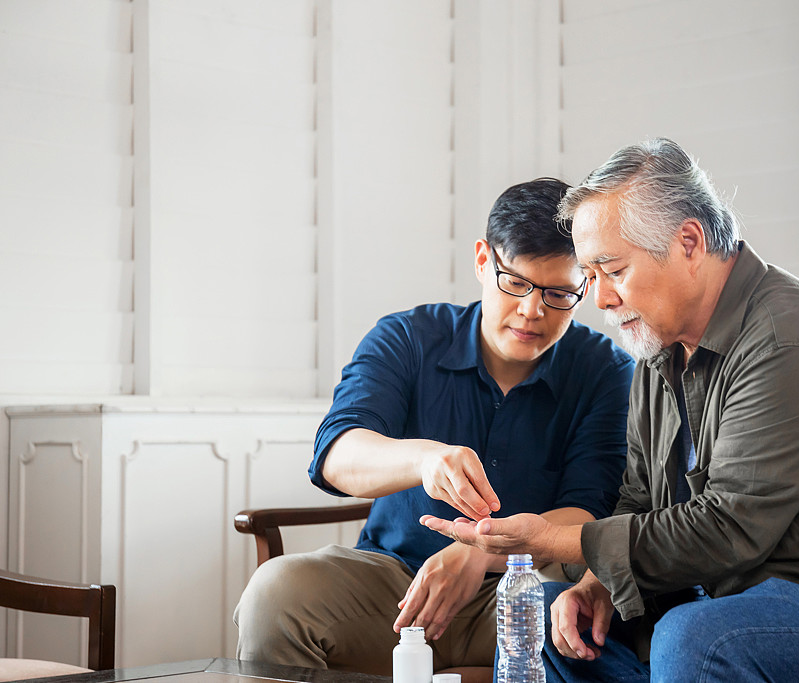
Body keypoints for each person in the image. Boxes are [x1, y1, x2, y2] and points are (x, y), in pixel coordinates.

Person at [422, 139, 799, 682]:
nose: (601, 299)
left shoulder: (793, 338)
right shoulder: (655, 352)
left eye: (612, 270)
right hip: (719, 602)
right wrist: (595, 584)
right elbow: (638, 499)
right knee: (546, 618)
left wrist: (544, 539)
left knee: (698, 640)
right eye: (589, 277)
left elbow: (727, 529)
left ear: (688, 242)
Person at [233, 178, 635, 681]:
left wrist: (479, 550)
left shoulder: (607, 372)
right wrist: (423, 459)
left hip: (528, 590)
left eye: (559, 294)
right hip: (393, 587)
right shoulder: (407, 338)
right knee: (277, 593)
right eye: (516, 283)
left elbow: (588, 511)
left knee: (577, 622)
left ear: (586, 286)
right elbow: (337, 453)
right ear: (483, 260)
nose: (533, 311)